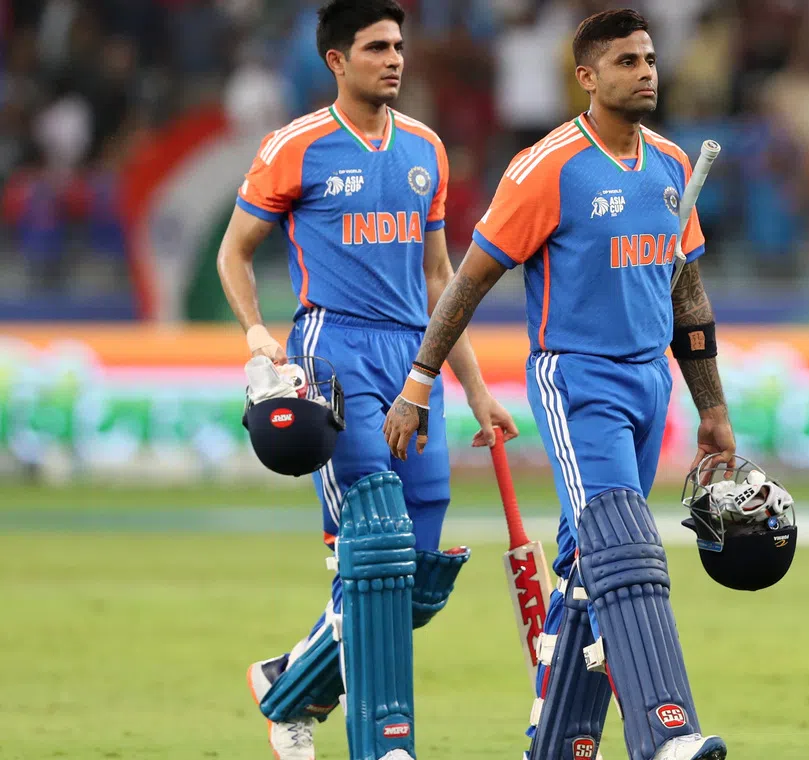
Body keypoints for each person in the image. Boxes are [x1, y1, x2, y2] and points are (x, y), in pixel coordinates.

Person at [383, 10, 733, 760]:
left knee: (587, 568)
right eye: (627, 62)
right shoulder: (546, 167)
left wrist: (713, 408)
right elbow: (468, 281)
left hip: (650, 383)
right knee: (627, 545)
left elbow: (689, 297)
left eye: (649, 58)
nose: (646, 71)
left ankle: (558, 746)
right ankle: (665, 732)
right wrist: (419, 380)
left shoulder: (672, 165)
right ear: (586, 77)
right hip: (579, 381)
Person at [216, 2, 517, 759]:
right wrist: (256, 331)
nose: (394, 59)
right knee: (375, 548)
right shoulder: (296, 146)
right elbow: (233, 252)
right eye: (376, 46)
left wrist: (475, 387)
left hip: (416, 358)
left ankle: (287, 684)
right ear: (335, 61)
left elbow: (441, 275)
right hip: (334, 352)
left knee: (414, 580)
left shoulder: (426, 149)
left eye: (399, 46)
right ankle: (384, 742)